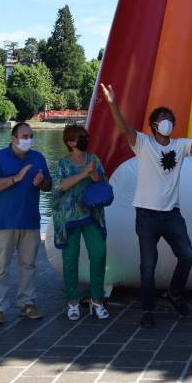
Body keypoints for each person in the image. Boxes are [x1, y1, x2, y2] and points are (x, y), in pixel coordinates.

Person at [100, 82, 192, 327]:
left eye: (170, 119)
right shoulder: (143, 144)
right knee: (148, 265)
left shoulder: (180, 146)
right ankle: (148, 310)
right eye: (162, 119)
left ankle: (175, 293)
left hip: (171, 215)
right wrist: (112, 103)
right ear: (153, 125)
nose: (167, 122)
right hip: (147, 216)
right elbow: (124, 128)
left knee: (187, 256)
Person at [0, 122, 52, 325]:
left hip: (30, 221)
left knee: (28, 266)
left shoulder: (38, 158)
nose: (28, 140)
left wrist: (42, 183)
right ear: (13, 138)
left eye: (30, 136)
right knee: (1, 268)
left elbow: (48, 186)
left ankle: (27, 304)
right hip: (3, 222)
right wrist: (16, 178)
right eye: (24, 136)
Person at [52, 125, 109, 321]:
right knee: (70, 259)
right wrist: (84, 173)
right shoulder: (62, 163)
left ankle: (97, 300)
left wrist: (93, 174)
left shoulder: (94, 159)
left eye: (86, 135)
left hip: (92, 215)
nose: (85, 139)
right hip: (69, 219)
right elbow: (61, 186)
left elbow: (102, 181)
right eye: (81, 137)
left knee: (99, 254)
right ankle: (73, 302)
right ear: (70, 142)